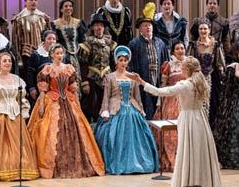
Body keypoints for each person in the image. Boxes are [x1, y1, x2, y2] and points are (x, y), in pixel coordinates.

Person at [133, 56, 223, 187]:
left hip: (189, 120)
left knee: (188, 154)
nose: (181, 69)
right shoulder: (201, 82)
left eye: (183, 67)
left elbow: (161, 91)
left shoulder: (185, 84)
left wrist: (142, 82)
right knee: (200, 155)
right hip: (200, 120)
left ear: (187, 69)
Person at [29, 43, 105, 178]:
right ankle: (52, 165)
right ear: (51, 55)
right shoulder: (47, 70)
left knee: (77, 129)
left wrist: (78, 105)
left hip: (68, 101)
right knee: (50, 131)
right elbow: (43, 91)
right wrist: (41, 105)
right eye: (57, 53)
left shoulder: (69, 68)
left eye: (61, 53)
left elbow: (73, 89)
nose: (59, 55)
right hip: (52, 101)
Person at [95, 45, 158, 174]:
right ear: (116, 61)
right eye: (121, 60)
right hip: (115, 108)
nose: (123, 63)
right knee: (112, 136)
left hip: (131, 108)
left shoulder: (133, 76)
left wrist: (140, 109)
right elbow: (106, 96)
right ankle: (118, 162)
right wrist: (105, 110)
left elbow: (136, 96)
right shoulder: (110, 77)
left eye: (125, 60)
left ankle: (138, 162)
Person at [0, 52, 40, 181]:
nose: (7, 63)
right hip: (1, 115)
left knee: (20, 145)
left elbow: (22, 99)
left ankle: (20, 170)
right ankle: (3, 169)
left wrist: (24, 113)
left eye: (9, 61)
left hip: (16, 116)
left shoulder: (17, 79)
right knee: (1, 146)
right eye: (4, 61)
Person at [128, 3, 169, 118]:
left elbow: (166, 63)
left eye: (150, 25)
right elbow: (130, 65)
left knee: (158, 109)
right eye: (145, 25)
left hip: (158, 82)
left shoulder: (160, 43)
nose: (148, 27)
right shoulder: (134, 44)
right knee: (144, 109)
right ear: (140, 29)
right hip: (141, 82)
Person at [154, 41, 187, 172]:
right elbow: (163, 85)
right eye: (177, 48)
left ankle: (187, 160)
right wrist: (160, 101)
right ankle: (172, 160)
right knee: (170, 130)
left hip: (186, 100)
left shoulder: (189, 64)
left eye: (182, 48)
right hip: (171, 99)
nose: (180, 50)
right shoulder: (169, 65)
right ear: (173, 51)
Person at [186, 22, 225, 129]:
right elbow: (189, 62)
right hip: (196, 78)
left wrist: (222, 76)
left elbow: (220, 63)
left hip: (211, 77)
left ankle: (208, 131)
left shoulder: (216, 45)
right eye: (201, 29)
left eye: (205, 29)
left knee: (212, 105)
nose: (203, 31)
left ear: (209, 30)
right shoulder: (193, 45)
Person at [78, 13, 116, 122]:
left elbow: (113, 63)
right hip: (92, 78)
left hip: (107, 78)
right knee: (91, 105)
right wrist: (85, 83)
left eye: (101, 25)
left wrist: (115, 79)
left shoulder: (110, 43)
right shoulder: (87, 44)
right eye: (97, 25)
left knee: (105, 105)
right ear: (93, 27)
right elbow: (83, 65)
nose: (99, 27)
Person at [11, 0, 52, 82]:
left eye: (35, 0)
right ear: (25, 2)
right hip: (27, 54)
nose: (33, 2)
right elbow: (16, 40)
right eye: (31, 0)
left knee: (44, 79)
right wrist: (18, 58)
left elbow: (49, 36)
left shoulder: (44, 18)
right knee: (29, 79)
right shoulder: (19, 19)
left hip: (42, 53)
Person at [51, 0, 87, 84]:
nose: (69, 8)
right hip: (62, 56)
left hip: (77, 56)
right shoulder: (55, 24)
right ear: (61, 9)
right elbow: (54, 43)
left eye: (70, 6)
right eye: (66, 6)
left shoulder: (78, 23)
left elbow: (82, 40)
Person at [25, 30, 59, 109]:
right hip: (40, 90)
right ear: (44, 40)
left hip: (55, 89)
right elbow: (30, 73)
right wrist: (32, 88)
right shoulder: (36, 55)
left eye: (54, 39)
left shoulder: (58, 54)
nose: (52, 41)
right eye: (49, 38)